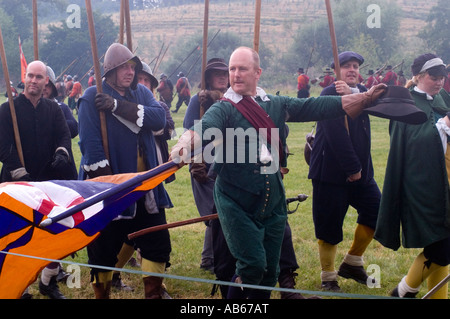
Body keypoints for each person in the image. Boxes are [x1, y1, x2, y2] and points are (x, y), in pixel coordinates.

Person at [170, 46, 386, 299]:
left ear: (257, 72)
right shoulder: (224, 108)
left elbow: (315, 107)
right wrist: (183, 146)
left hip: (272, 201)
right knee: (251, 267)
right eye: (232, 69)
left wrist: (364, 98)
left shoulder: (275, 103)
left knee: (269, 273)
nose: (236, 74)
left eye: (242, 69)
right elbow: (203, 128)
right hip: (235, 201)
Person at [77, 43, 173, 299]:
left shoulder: (141, 93)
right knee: (103, 250)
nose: (130, 72)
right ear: (109, 70)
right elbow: (91, 147)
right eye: (124, 67)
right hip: (110, 190)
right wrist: (110, 187)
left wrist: (116, 106)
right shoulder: (90, 97)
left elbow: (158, 119)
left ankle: (153, 294)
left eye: (133, 67)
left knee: (156, 243)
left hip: (146, 188)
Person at [375, 53, 450, 299]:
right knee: (441, 246)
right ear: (418, 76)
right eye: (433, 76)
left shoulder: (441, 97)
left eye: (442, 76)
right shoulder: (405, 103)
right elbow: (413, 144)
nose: (439, 82)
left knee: (442, 242)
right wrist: (443, 126)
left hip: (446, 180)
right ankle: (403, 292)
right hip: (421, 184)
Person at [0, 61, 77, 299]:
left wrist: (62, 154)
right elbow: (2, 144)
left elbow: (64, 135)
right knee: (15, 238)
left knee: (53, 234)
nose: (33, 80)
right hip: (16, 183)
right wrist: (17, 170)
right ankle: (16, 289)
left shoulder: (53, 109)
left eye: (38, 77)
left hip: (47, 181)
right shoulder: (7, 109)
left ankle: (47, 282)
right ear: (25, 78)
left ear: (47, 82)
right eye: (30, 76)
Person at [308, 51, 381, 292]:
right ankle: (328, 277)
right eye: (346, 66)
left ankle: (352, 262)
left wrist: (354, 95)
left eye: (355, 66)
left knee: (376, 210)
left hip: (362, 174)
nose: (352, 70)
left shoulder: (363, 93)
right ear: (336, 72)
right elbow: (335, 135)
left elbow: (382, 101)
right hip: (330, 174)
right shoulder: (329, 94)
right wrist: (352, 168)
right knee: (329, 224)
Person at [183, 58, 229, 273]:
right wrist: (195, 160)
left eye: (225, 73)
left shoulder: (233, 99)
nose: (222, 77)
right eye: (217, 73)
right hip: (204, 163)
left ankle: (209, 258)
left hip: (229, 163)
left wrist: (218, 99)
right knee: (214, 212)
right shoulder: (197, 101)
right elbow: (190, 131)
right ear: (208, 78)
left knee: (223, 211)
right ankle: (209, 260)